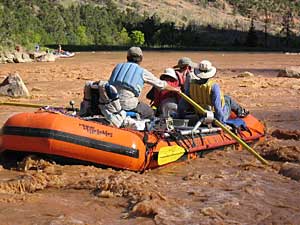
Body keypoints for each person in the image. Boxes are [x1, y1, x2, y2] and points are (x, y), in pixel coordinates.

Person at [108, 46, 179, 119]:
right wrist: (176, 89)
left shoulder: (117, 67)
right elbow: (161, 85)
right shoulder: (142, 72)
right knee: (150, 112)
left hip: (111, 102)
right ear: (141, 59)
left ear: (127, 57)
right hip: (127, 104)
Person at [187, 60, 249, 124]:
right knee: (228, 99)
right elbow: (217, 108)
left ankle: (240, 111)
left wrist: (180, 115)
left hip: (200, 115)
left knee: (225, 97)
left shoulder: (191, 84)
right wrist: (222, 122)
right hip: (213, 116)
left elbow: (182, 104)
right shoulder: (214, 86)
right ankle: (241, 112)